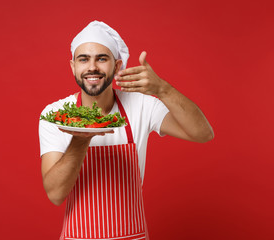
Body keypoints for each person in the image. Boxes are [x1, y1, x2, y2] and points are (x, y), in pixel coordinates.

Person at [39, 20, 214, 240]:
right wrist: (81, 139)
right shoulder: (56, 114)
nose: (92, 67)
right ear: (73, 66)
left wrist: (163, 89)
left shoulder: (141, 105)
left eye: (102, 59)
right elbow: (55, 194)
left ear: (118, 66)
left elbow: (203, 133)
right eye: (83, 59)